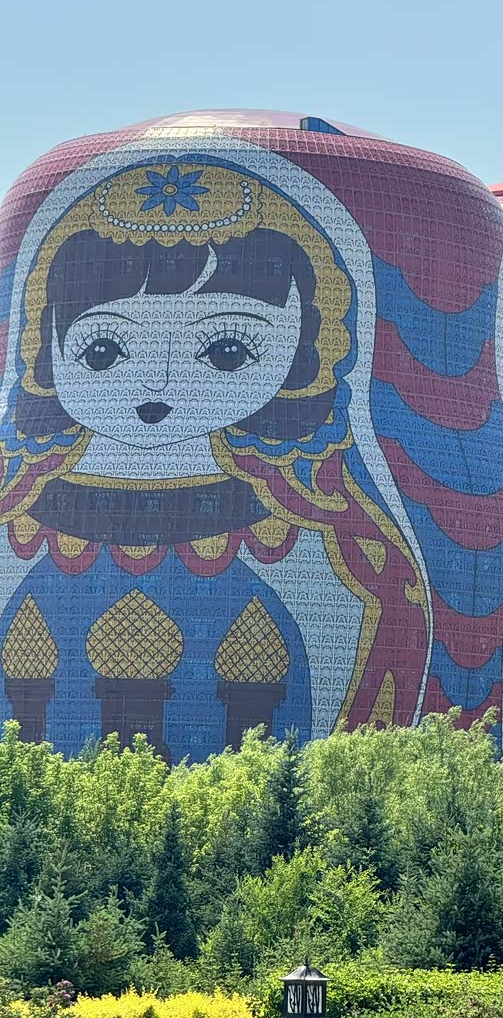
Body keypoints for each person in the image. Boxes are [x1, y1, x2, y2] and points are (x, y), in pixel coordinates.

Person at [0, 158, 430, 760]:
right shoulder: (25, 506)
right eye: (102, 350)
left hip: (259, 792)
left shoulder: (317, 515)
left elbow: (384, 627)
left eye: (228, 350)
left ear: (305, 349)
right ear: (46, 349)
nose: (157, 385)